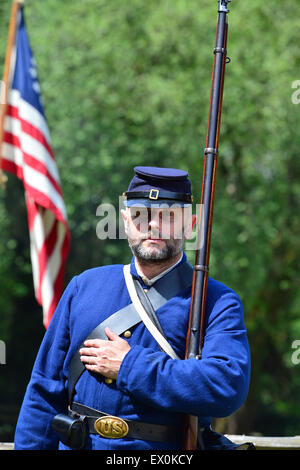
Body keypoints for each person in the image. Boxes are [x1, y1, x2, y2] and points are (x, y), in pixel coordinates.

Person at [14, 166, 251, 450]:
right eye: (142, 215)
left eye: (169, 217)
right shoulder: (84, 287)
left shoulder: (216, 301)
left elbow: (226, 386)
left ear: (191, 225)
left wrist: (129, 366)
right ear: (126, 221)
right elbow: (44, 393)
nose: (153, 225)